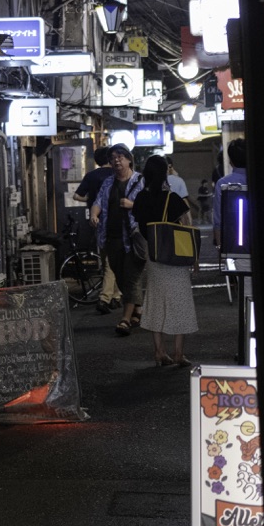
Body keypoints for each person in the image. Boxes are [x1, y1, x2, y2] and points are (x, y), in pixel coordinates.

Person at [134, 154, 199, 367]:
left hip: (153, 257)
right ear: (165, 173)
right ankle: (178, 353)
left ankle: (159, 351)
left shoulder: (141, 199)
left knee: (155, 301)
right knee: (180, 303)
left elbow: (138, 226)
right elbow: (188, 227)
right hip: (175, 258)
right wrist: (194, 258)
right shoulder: (173, 200)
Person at [96, 144, 146, 335]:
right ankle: (137, 310)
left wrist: (132, 204)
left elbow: (150, 207)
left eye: (120, 157)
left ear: (129, 159)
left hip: (134, 236)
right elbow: (98, 202)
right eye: (113, 158)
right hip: (112, 237)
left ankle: (125, 319)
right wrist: (94, 215)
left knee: (131, 277)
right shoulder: (108, 183)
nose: (116, 160)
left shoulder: (140, 181)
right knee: (121, 276)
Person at [73, 147, 121, 312]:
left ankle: (115, 296)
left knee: (107, 258)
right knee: (111, 261)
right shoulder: (116, 174)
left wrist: (90, 199)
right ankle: (106, 298)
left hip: (97, 221)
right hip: (115, 221)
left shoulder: (91, 176)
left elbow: (76, 196)